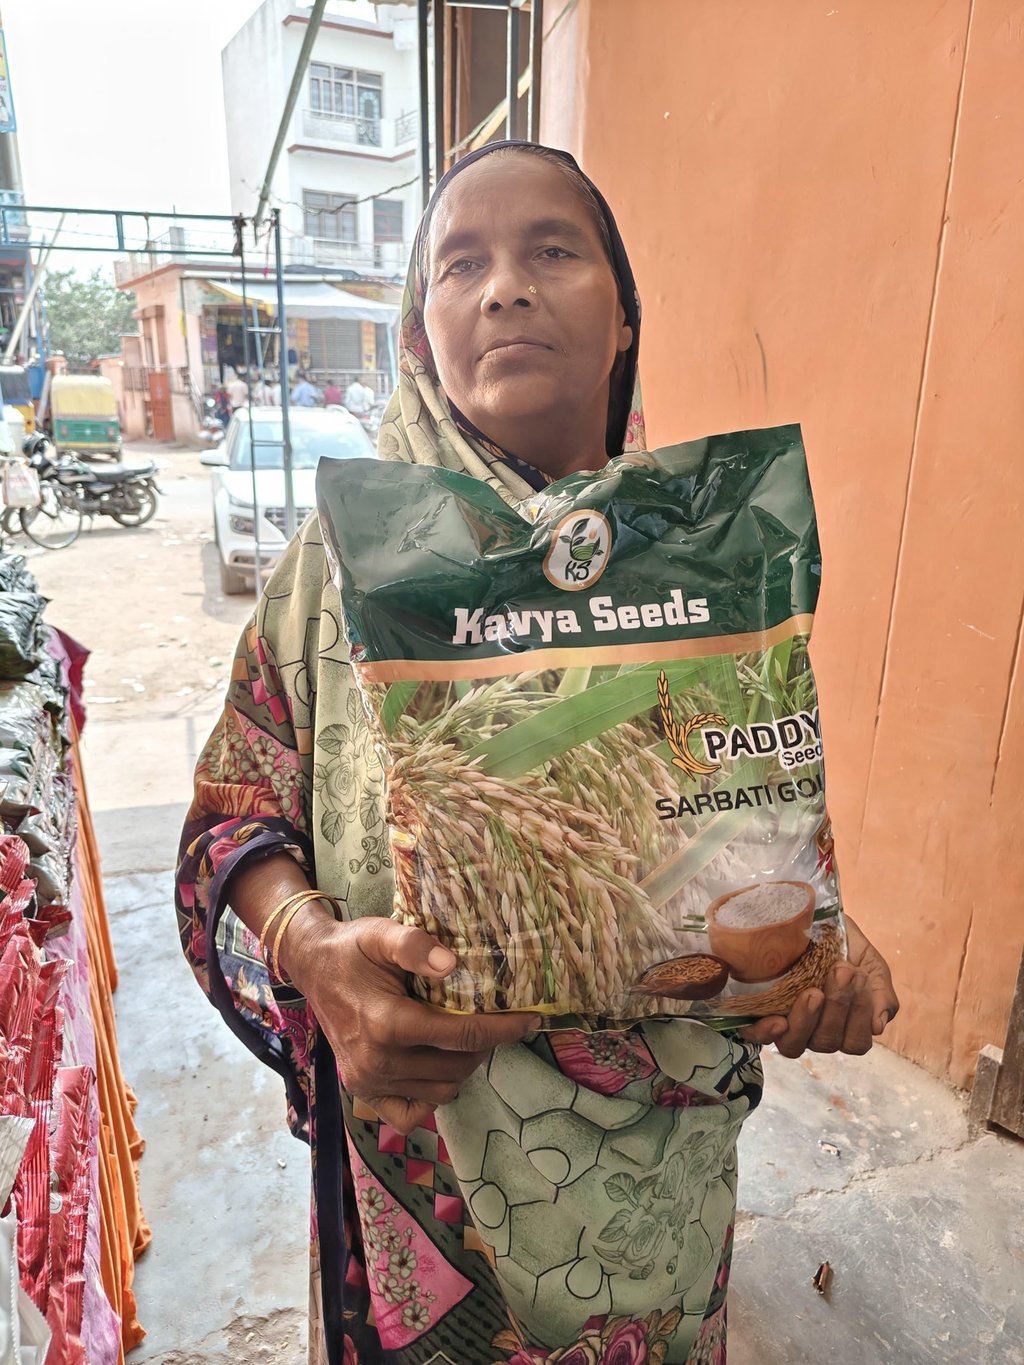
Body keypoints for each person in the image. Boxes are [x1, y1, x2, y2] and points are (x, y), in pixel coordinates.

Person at [177, 142, 898, 1365]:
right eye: (460, 263)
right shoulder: (335, 572)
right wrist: (310, 950)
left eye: (551, 250)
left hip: (651, 1204)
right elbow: (228, 821)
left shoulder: (707, 568)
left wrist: (823, 953)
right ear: (422, 331)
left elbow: (734, 822)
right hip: (419, 1196)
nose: (503, 286)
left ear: (625, 318)